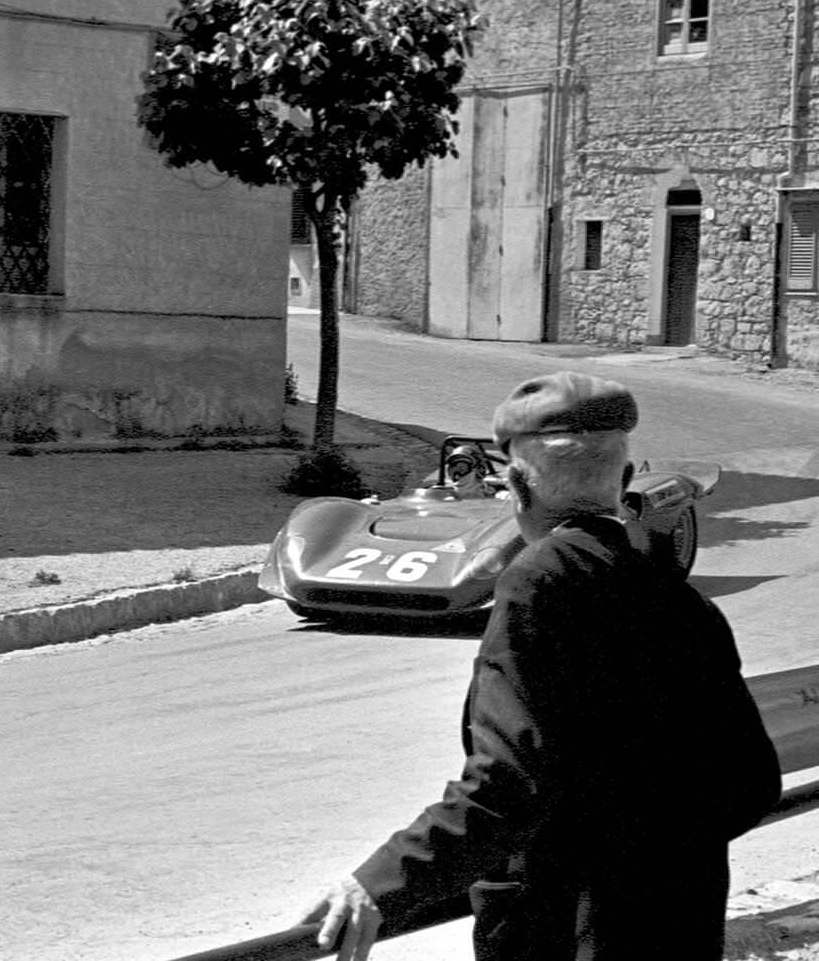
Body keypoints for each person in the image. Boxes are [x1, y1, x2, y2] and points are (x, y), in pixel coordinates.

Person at [302, 371, 782, 961]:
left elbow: (511, 779)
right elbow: (751, 783)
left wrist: (380, 883)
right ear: (625, 480)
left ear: (519, 487)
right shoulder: (676, 595)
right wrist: (661, 855)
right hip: (678, 918)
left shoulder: (540, 580)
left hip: (566, 928)